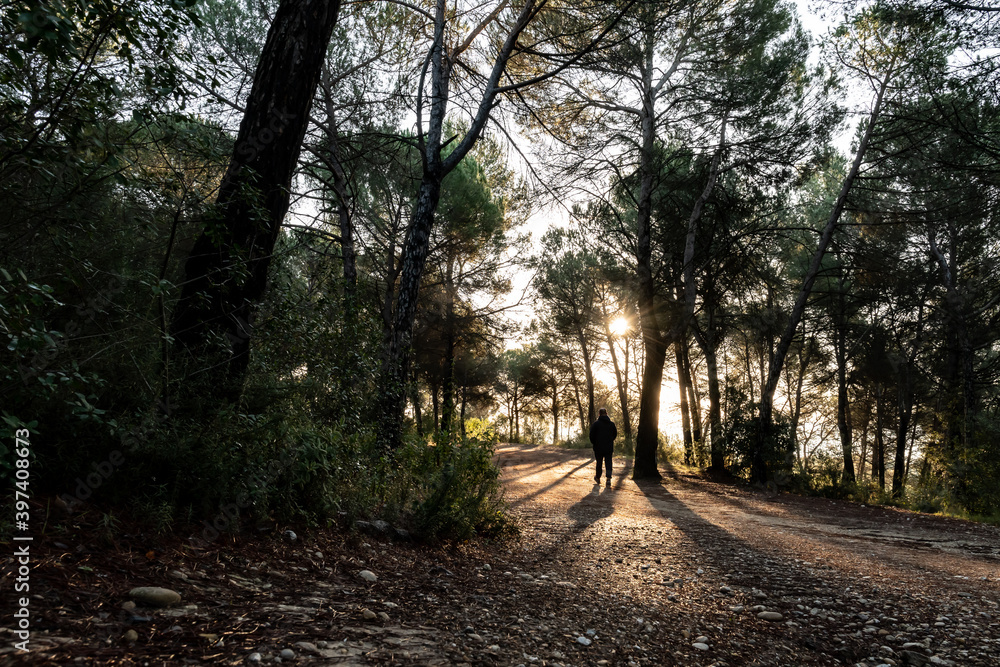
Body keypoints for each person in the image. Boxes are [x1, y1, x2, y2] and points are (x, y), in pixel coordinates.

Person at [588, 408, 617, 486]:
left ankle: (598, 477)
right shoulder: (612, 424)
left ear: (599, 414)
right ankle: (608, 478)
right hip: (609, 447)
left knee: (599, 463)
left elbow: (591, 436)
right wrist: (610, 441)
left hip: (598, 447)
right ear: (606, 414)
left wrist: (594, 443)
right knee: (608, 462)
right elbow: (614, 435)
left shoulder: (595, 424)